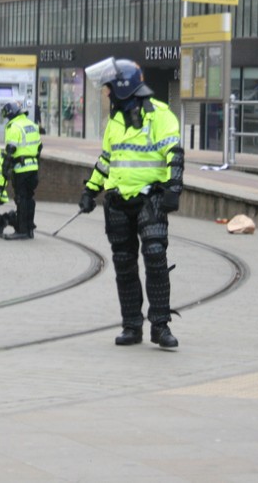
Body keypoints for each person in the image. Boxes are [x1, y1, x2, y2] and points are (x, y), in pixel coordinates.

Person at [77, 58, 183, 348]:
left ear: (123, 87)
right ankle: (131, 326)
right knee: (124, 265)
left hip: (151, 197)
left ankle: (160, 326)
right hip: (118, 201)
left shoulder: (160, 115)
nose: (107, 93)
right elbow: (108, 159)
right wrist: (91, 190)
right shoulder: (115, 121)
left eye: (110, 88)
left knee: (155, 258)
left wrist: (173, 188)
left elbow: (174, 153)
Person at [1, 99, 42, 240]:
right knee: (29, 197)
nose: (6, 119)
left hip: (21, 168)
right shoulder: (32, 125)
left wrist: (5, 167)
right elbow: (39, 147)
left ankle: (22, 230)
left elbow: (11, 149)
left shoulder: (14, 126)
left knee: (21, 198)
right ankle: (29, 228)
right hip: (33, 167)